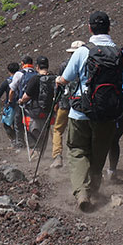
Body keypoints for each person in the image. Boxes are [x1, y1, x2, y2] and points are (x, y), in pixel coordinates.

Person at [56, 11, 123, 211]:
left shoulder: (82, 51)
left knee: (77, 150)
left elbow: (65, 78)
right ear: (109, 28)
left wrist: (58, 80)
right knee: (99, 154)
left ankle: (82, 192)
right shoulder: (120, 53)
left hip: (81, 112)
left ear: (90, 28)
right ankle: (93, 189)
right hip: (108, 113)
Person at [49, 41, 85, 169]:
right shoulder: (88, 64)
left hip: (65, 102)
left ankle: (57, 156)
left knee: (58, 129)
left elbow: (59, 85)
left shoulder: (65, 65)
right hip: (81, 103)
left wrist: (55, 101)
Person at [18, 56, 56, 152]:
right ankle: (42, 152)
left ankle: (35, 152)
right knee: (45, 134)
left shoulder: (35, 79)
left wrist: (21, 101)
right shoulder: (54, 78)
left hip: (35, 111)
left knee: (32, 132)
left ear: (37, 67)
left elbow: (27, 96)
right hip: (49, 111)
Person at [8, 56, 37, 149]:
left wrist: (10, 101)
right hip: (35, 103)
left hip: (22, 103)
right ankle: (33, 142)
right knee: (31, 123)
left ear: (22, 63)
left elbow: (12, 90)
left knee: (18, 123)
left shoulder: (19, 74)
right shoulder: (36, 73)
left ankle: (21, 144)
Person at [0, 63, 20, 147]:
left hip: (11, 105)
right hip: (22, 103)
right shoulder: (22, 78)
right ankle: (20, 140)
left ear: (9, 71)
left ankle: (14, 140)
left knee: (6, 124)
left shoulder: (7, 82)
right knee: (18, 124)